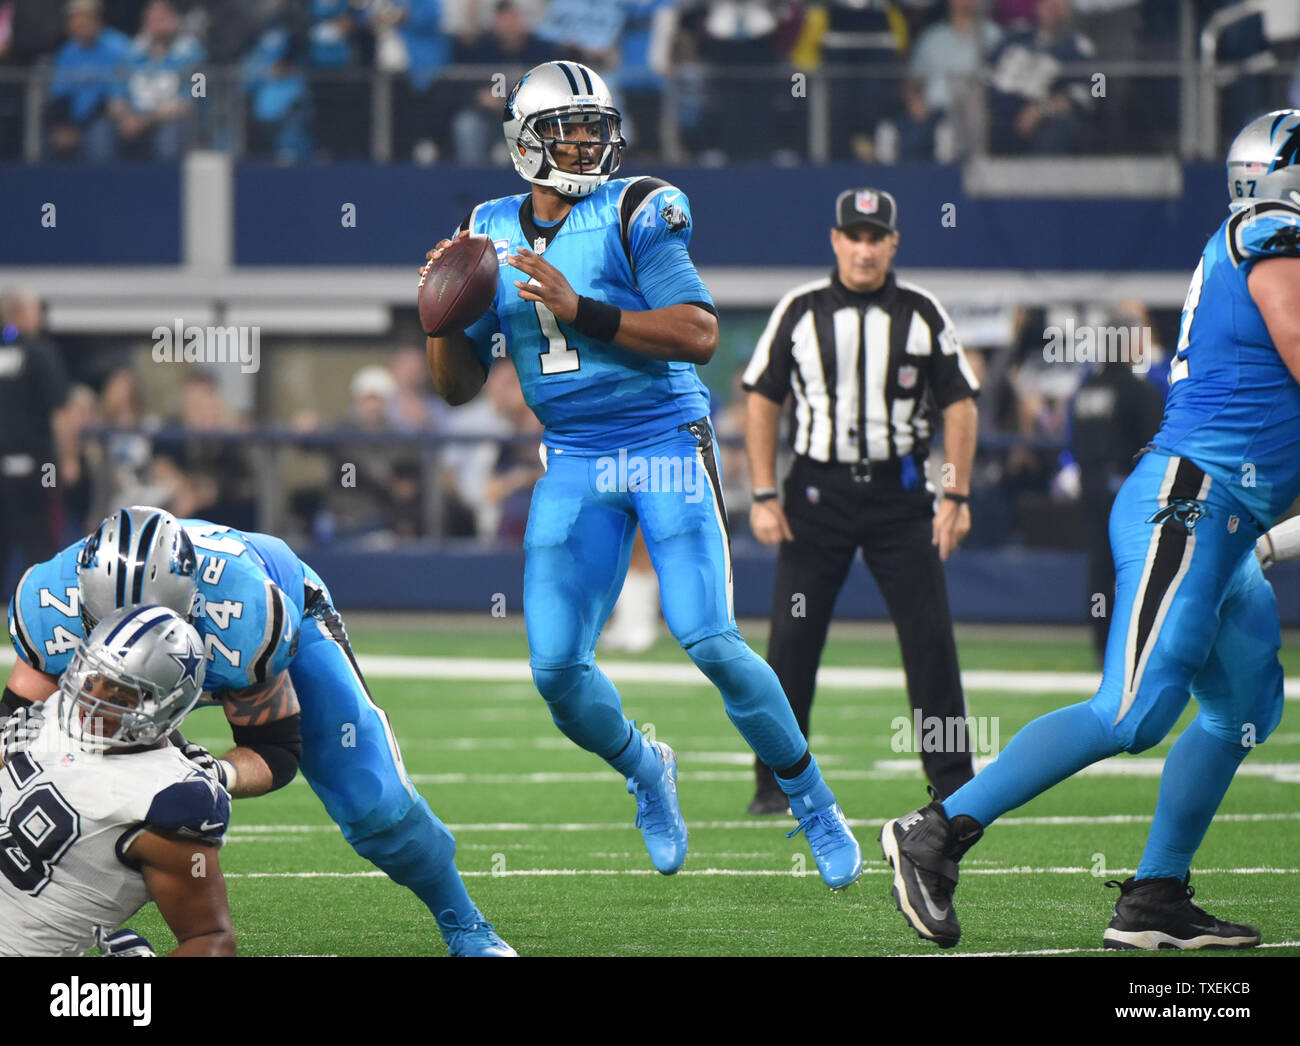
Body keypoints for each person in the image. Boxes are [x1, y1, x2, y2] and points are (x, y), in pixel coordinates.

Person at [423, 59, 861, 888]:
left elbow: (698, 332)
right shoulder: (486, 229)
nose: (589, 143)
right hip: (576, 457)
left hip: (663, 439)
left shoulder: (637, 207)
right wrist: (444, 322)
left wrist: (577, 306)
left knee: (711, 639)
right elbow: (456, 390)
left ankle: (811, 799)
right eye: (569, 130)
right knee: (555, 670)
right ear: (524, 143)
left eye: (596, 127)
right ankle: (644, 767)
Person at [879, 109, 1300, 951]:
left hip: (1225, 513)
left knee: (1244, 707)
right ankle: (935, 832)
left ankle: (1154, 898)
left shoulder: (1260, 234)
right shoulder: (1270, 231)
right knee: (1134, 712)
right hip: (1190, 500)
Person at [4, 506, 515, 956]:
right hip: (161, 665)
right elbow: (17, 733)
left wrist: (211, 772)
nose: (132, 639)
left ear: (191, 601)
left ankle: (468, 926)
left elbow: (274, 748)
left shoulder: (244, 614)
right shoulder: (49, 605)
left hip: (266, 618)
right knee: (62, 781)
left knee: (372, 798)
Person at [742, 187, 980, 815]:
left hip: (901, 495)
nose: (865, 249)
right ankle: (775, 782)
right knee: (792, 640)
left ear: (893, 244)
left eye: (877, 238)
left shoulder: (923, 313)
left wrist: (955, 491)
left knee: (930, 638)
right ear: (836, 240)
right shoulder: (799, 310)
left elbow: (961, 401)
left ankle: (955, 781)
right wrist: (763, 493)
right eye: (855, 236)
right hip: (815, 493)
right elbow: (762, 398)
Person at [0, 605, 235, 957]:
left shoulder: (167, 799)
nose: (90, 698)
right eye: (93, 675)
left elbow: (211, 941)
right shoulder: (56, 709)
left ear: (165, 706)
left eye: (118, 694)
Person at [1068, 307, 1165, 665]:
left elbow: (1075, 440)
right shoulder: (1138, 390)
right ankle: (1139, 643)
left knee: (1100, 570)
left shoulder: (1087, 389)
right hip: (1129, 494)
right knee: (1140, 570)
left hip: (1091, 490)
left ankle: (1102, 644)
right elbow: (1155, 445)